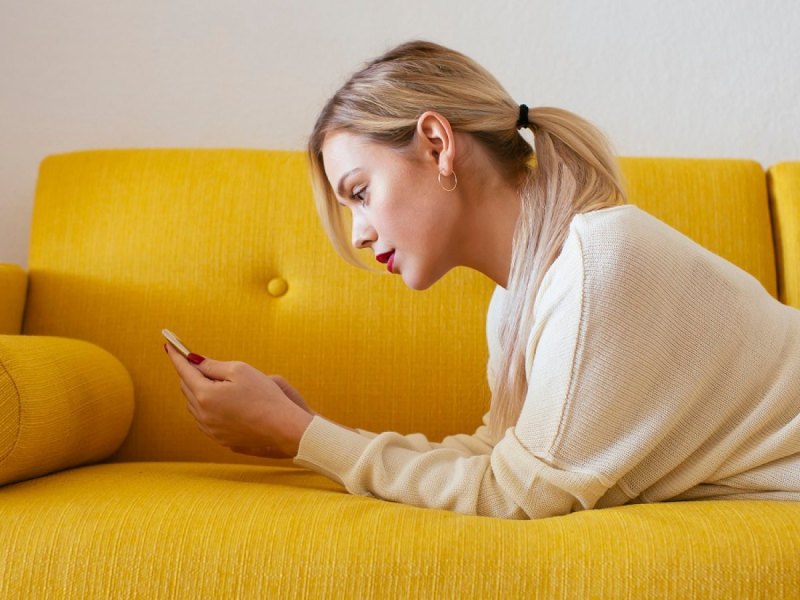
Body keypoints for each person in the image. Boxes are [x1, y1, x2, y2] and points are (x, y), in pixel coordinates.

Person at [166, 39, 800, 519]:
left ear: (438, 144)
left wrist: (299, 435)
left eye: (359, 192)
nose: (358, 233)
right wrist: (312, 431)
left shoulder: (597, 266)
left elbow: (519, 498)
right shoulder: (518, 296)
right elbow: (502, 454)